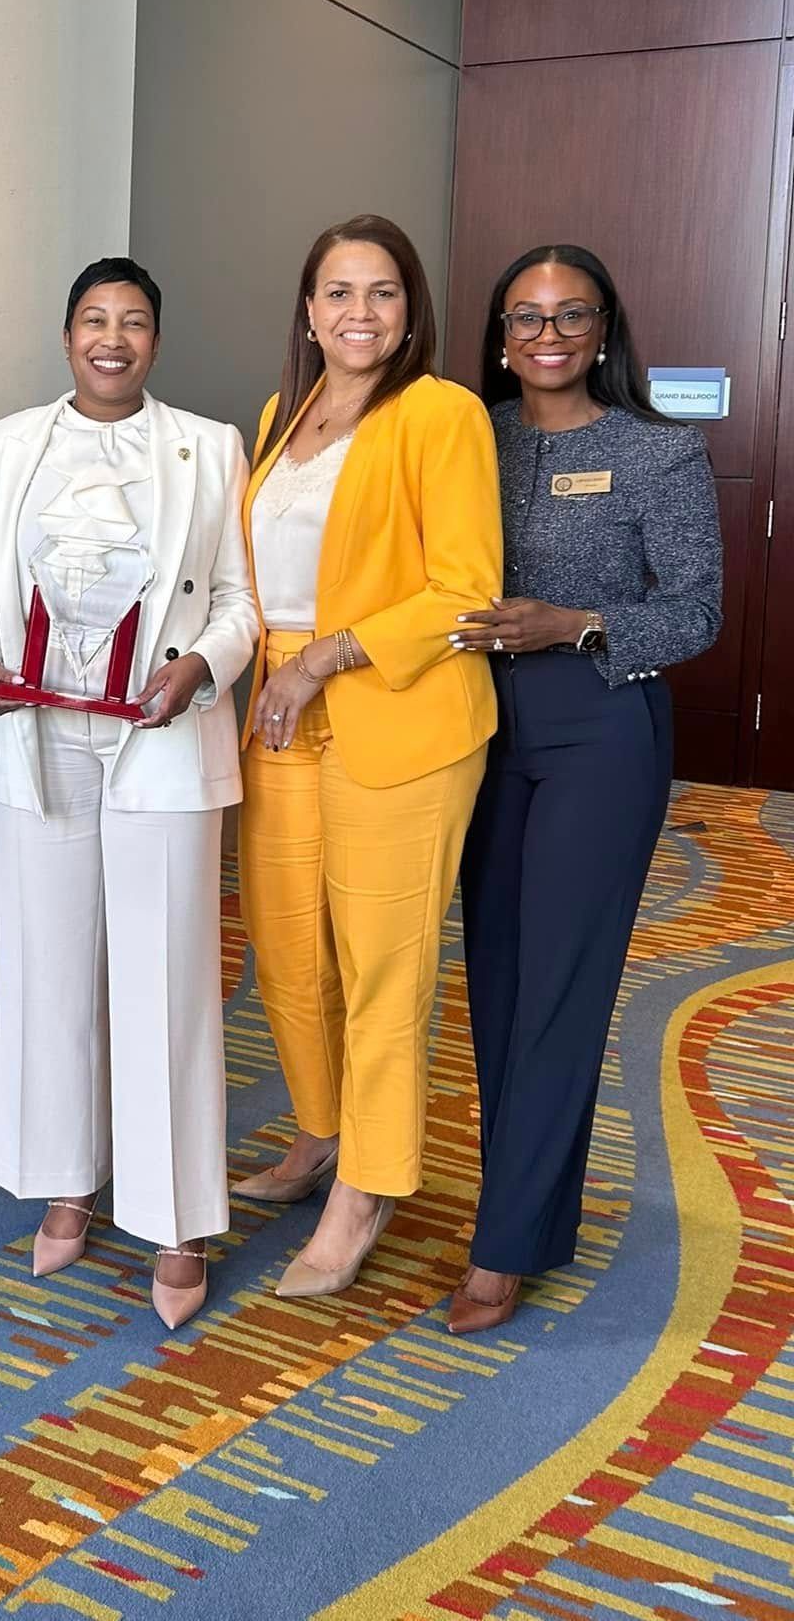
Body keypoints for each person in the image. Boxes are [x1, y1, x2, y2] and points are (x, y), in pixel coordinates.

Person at [0, 257, 258, 1331]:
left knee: (167, 974)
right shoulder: (9, 443)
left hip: (161, 737)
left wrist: (203, 669)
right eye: (95, 317)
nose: (113, 337)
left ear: (157, 340)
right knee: (48, 964)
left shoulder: (208, 446)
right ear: (66, 331)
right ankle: (64, 1181)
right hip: (39, 735)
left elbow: (237, 601)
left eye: (135, 320)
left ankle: (176, 1216)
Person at [445, 244, 721, 1333]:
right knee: (498, 977)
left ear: (604, 329)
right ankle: (525, 1208)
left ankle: (504, 1247)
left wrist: (577, 622)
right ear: (499, 335)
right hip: (478, 724)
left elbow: (694, 610)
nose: (547, 336)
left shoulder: (658, 451)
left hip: (601, 722)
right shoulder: (473, 435)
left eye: (570, 316)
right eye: (525, 317)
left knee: (561, 980)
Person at [234, 215, 502, 1299]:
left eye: (382, 292)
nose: (360, 313)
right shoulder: (278, 415)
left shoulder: (442, 414)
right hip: (279, 710)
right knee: (291, 949)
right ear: (308, 310)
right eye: (338, 293)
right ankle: (321, 1130)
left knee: (384, 964)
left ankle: (371, 1183)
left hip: (398, 707)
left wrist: (327, 658)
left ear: (411, 306)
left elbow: (464, 589)